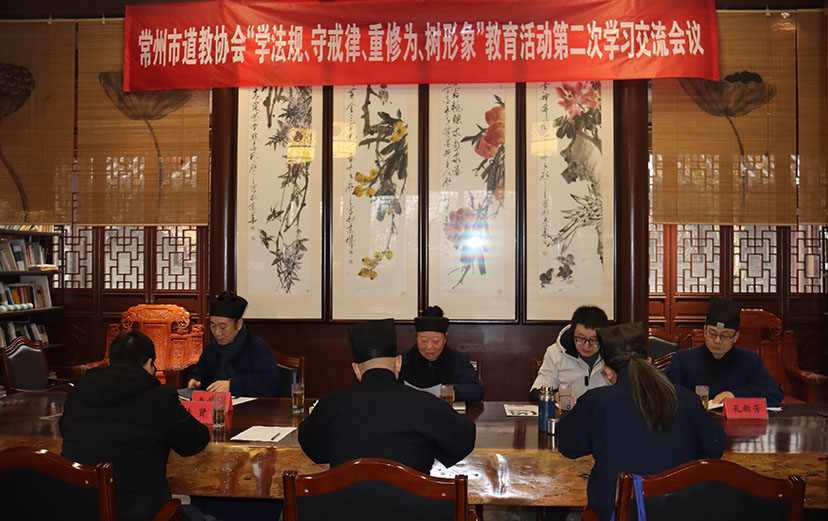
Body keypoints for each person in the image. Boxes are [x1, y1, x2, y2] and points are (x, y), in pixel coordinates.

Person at [558, 322, 726, 521]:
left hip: (619, 513)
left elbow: (568, 447)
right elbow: (716, 447)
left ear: (607, 371)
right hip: (680, 510)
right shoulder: (686, 397)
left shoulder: (597, 401)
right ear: (650, 362)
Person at [60, 331, 210, 521]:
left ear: (111, 362)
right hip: (142, 513)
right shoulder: (159, 397)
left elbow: (64, 429)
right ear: (149, 363)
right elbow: (195, 442)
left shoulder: (78, 393)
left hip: (79, 510)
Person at [299, 318, 476, 474]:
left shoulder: (331, 403)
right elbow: (463, 439)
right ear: (398, 363)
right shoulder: (426, 404)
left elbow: (315, 451)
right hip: (413, 501)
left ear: (356, 369)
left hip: (343, 501)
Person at [665, 297, 784, 407]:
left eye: (725, 336)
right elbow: (663, 391)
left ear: (735, 337)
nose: (717, 341)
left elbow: (774, 393)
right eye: (712, 334)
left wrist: (735, 395)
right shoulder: (684, 359)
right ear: (705, 331)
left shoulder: (749, 361)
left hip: (737, 422)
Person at [187, 291, 280, 397]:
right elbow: (200, 373)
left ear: (239, 324)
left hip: (250, 406)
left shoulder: (257, 347)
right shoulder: (211, 348)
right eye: (213, 326)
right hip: (215, 404)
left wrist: (232, 386)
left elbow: (269, 382)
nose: (217, 333)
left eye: (223, 327)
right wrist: (195, 381)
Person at [399, 306, 484, 402]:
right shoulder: (402, 360)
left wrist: (453, 392)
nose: (429, 347)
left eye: (435, 341)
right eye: (423, 341)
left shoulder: (458, 359)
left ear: (445, 338)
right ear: (416, 338)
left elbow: (476, 390)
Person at [529, 305, 609, 401]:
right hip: (568, 410)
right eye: (581, 338)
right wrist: (556, 396)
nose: (586, 346)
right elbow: (535, 392)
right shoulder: (555, 353)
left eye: (594, 340)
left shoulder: (616, 354)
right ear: (573, 332)